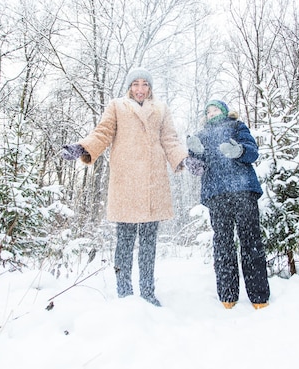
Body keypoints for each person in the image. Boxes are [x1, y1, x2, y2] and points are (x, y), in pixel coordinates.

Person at [60, 67, 203, 306]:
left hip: (152, 183)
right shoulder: (117, 106)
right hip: (126, 181)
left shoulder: (161, 109)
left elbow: (169, 139)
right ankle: (124, 293)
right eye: (135, 84)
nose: (140, 89)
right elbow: (103, 133)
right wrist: (82, 147)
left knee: (148, 243)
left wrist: (184, 159)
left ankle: (147, 292)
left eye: (145, 84)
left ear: (150, 88)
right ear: (129, 87)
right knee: (124, 242)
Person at [187, 99, 270, 309]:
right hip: (217, 195)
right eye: (208, 111)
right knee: (223, 245)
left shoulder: (237, 126)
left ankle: (259, 297)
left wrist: (240, 151)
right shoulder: (202, 135)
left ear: (224, 111)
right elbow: (197, 168)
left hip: (243, 191)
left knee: (251, 242)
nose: (211, 113)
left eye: (215, 109)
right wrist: (194, 155)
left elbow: (253, 151)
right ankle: (228, 295)